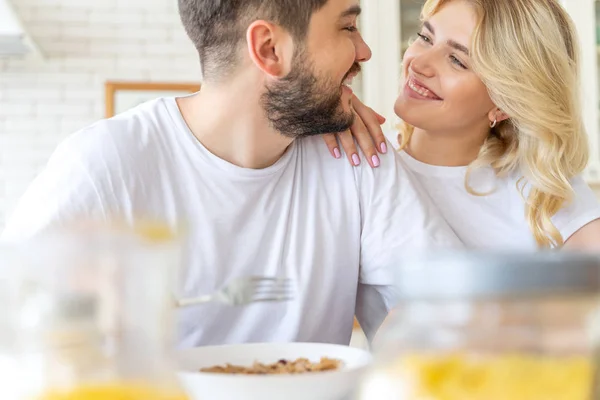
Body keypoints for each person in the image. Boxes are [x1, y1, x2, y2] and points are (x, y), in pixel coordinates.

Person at [0, 0, 461, 347]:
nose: (364, 50)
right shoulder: (105, 167)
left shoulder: (354, 155)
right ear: (269, 49)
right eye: (347, 27)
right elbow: (18, 339)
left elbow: (458, 308)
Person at [324, 0, 600, 249]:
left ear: (504, 103)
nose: (419, 63)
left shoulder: (541, 193)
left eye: (457, 60)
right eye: (425, 37)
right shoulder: (358, 158)